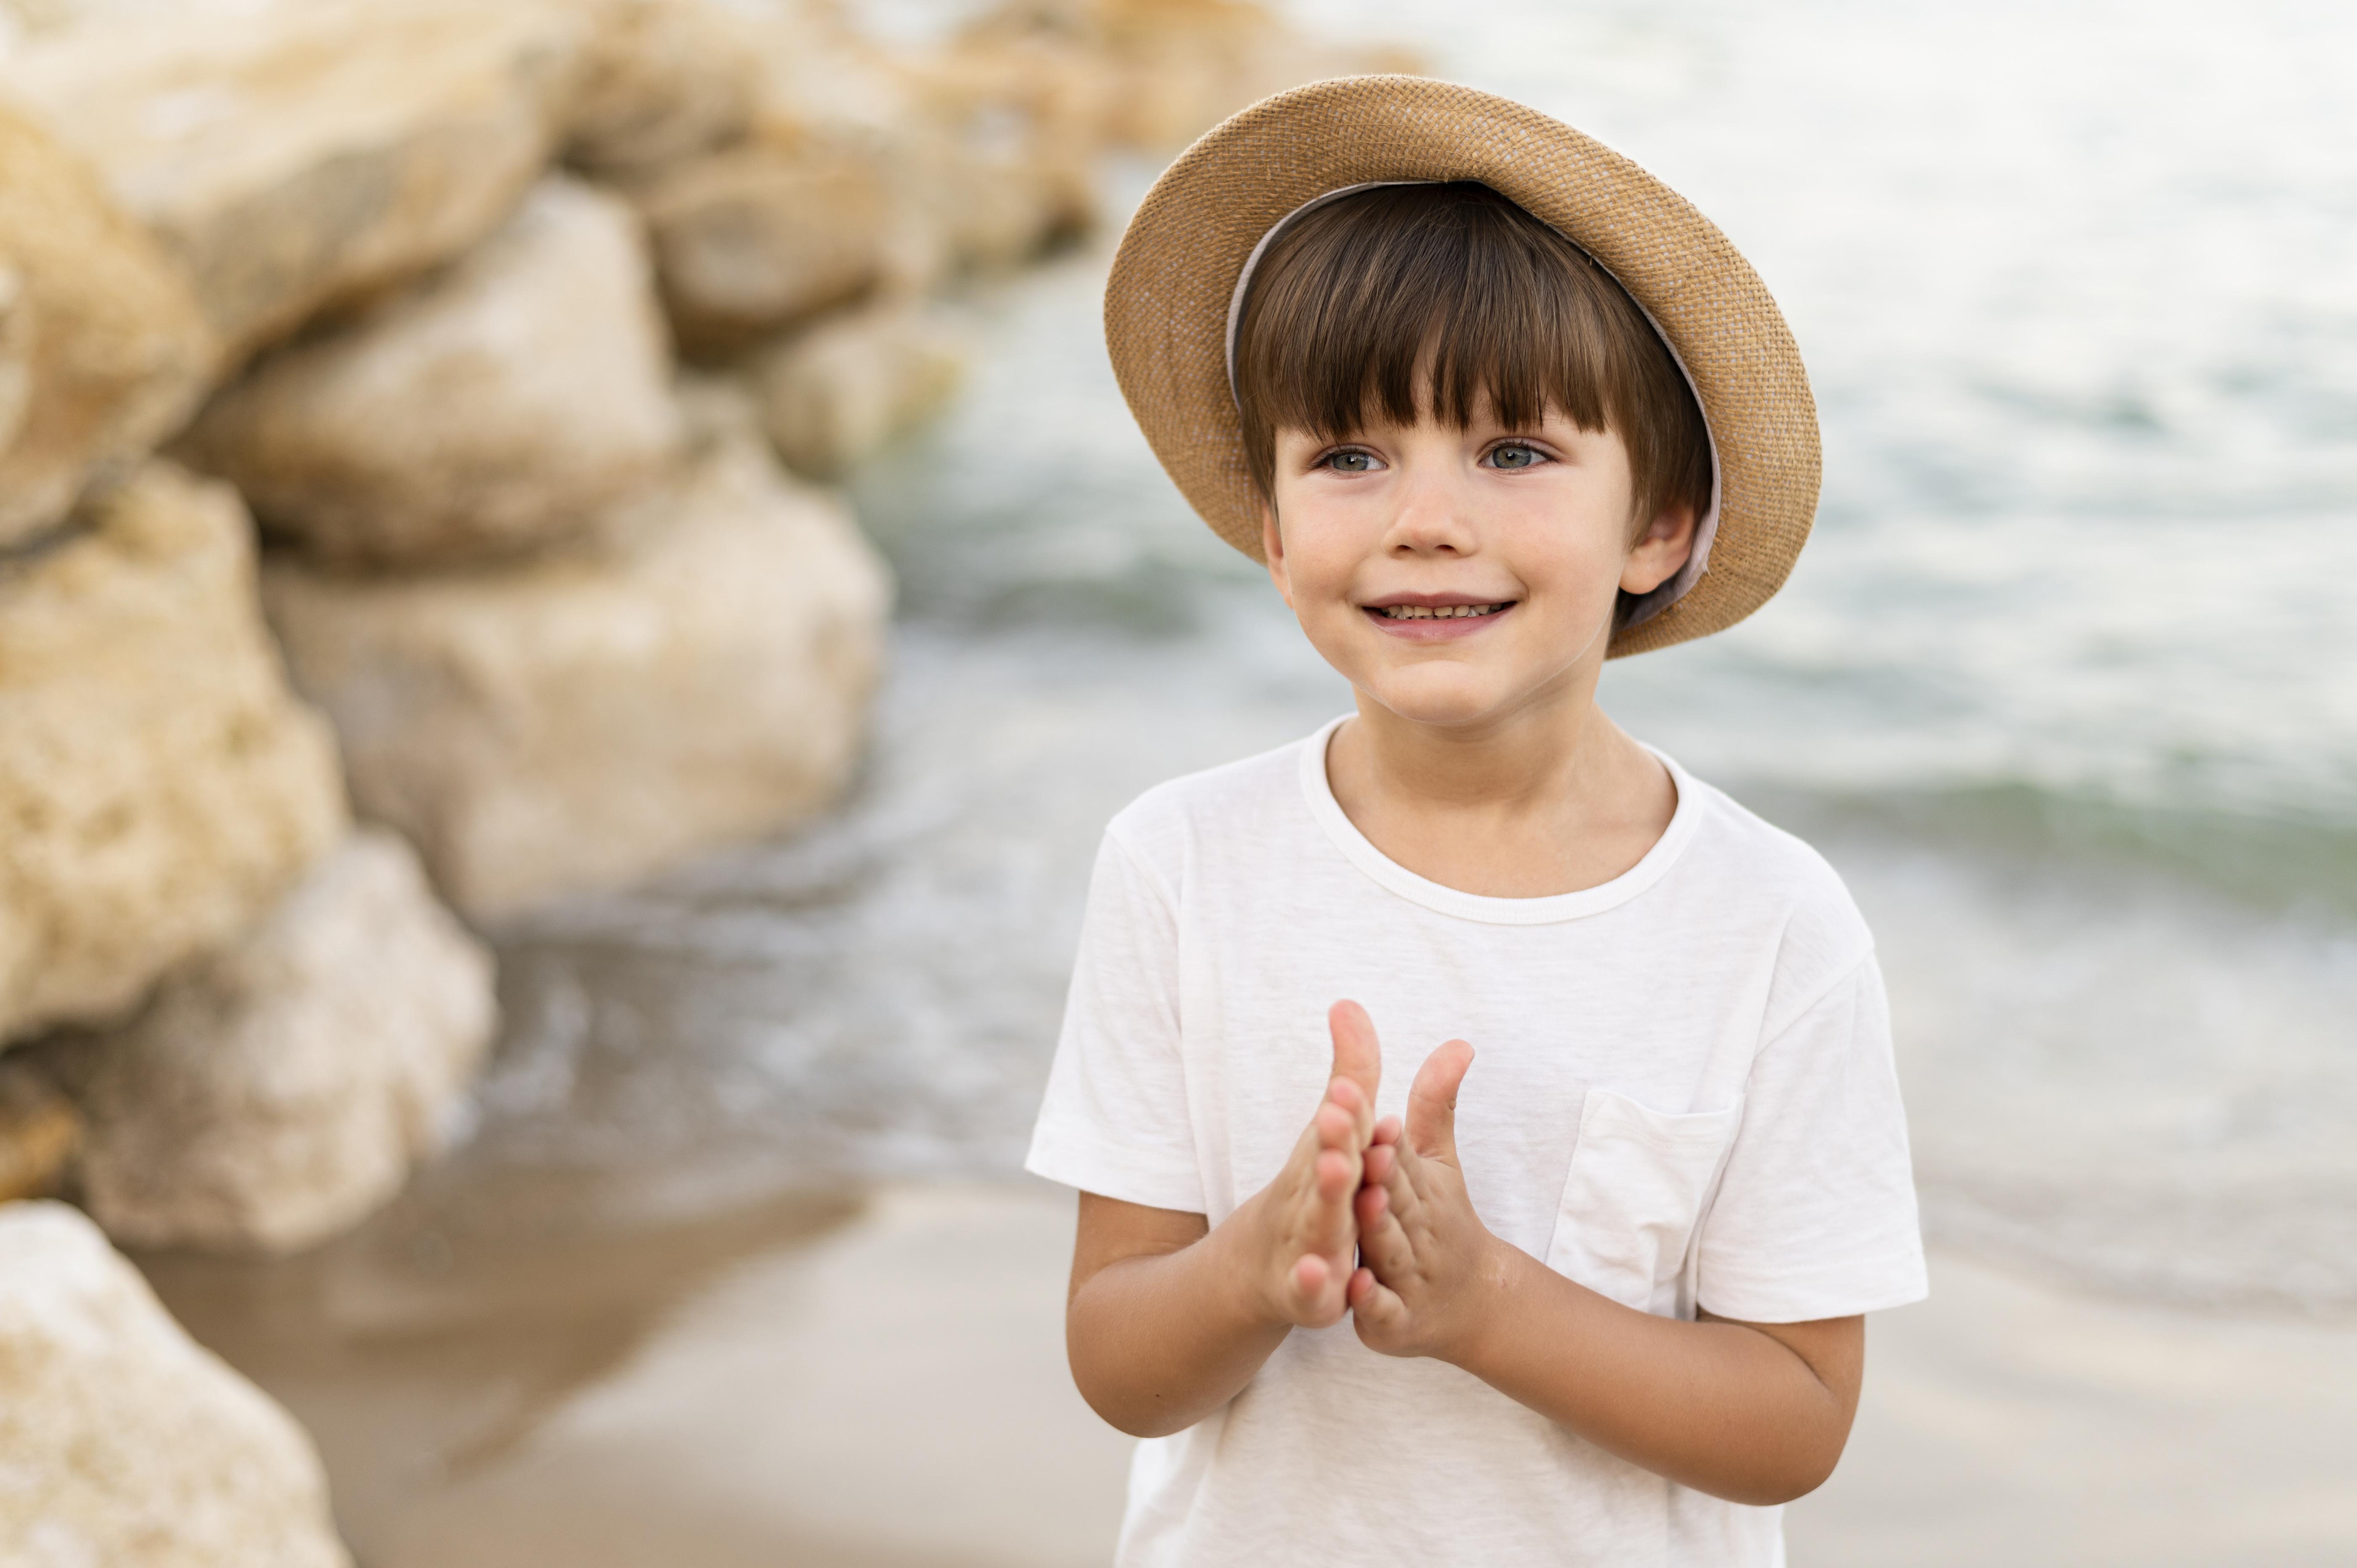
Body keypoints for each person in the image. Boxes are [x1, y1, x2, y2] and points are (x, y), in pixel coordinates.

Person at [1026, 76, 1926, 1566]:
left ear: (1658, 525)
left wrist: (1488, 1307)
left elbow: (1794, 1423)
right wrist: (1252, 1270)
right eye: (1347, 456)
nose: (1421, 518)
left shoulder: (1769, 924)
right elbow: (1120, 1368)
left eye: (1512, 453)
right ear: (1269, 524)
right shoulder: (1181, 864)